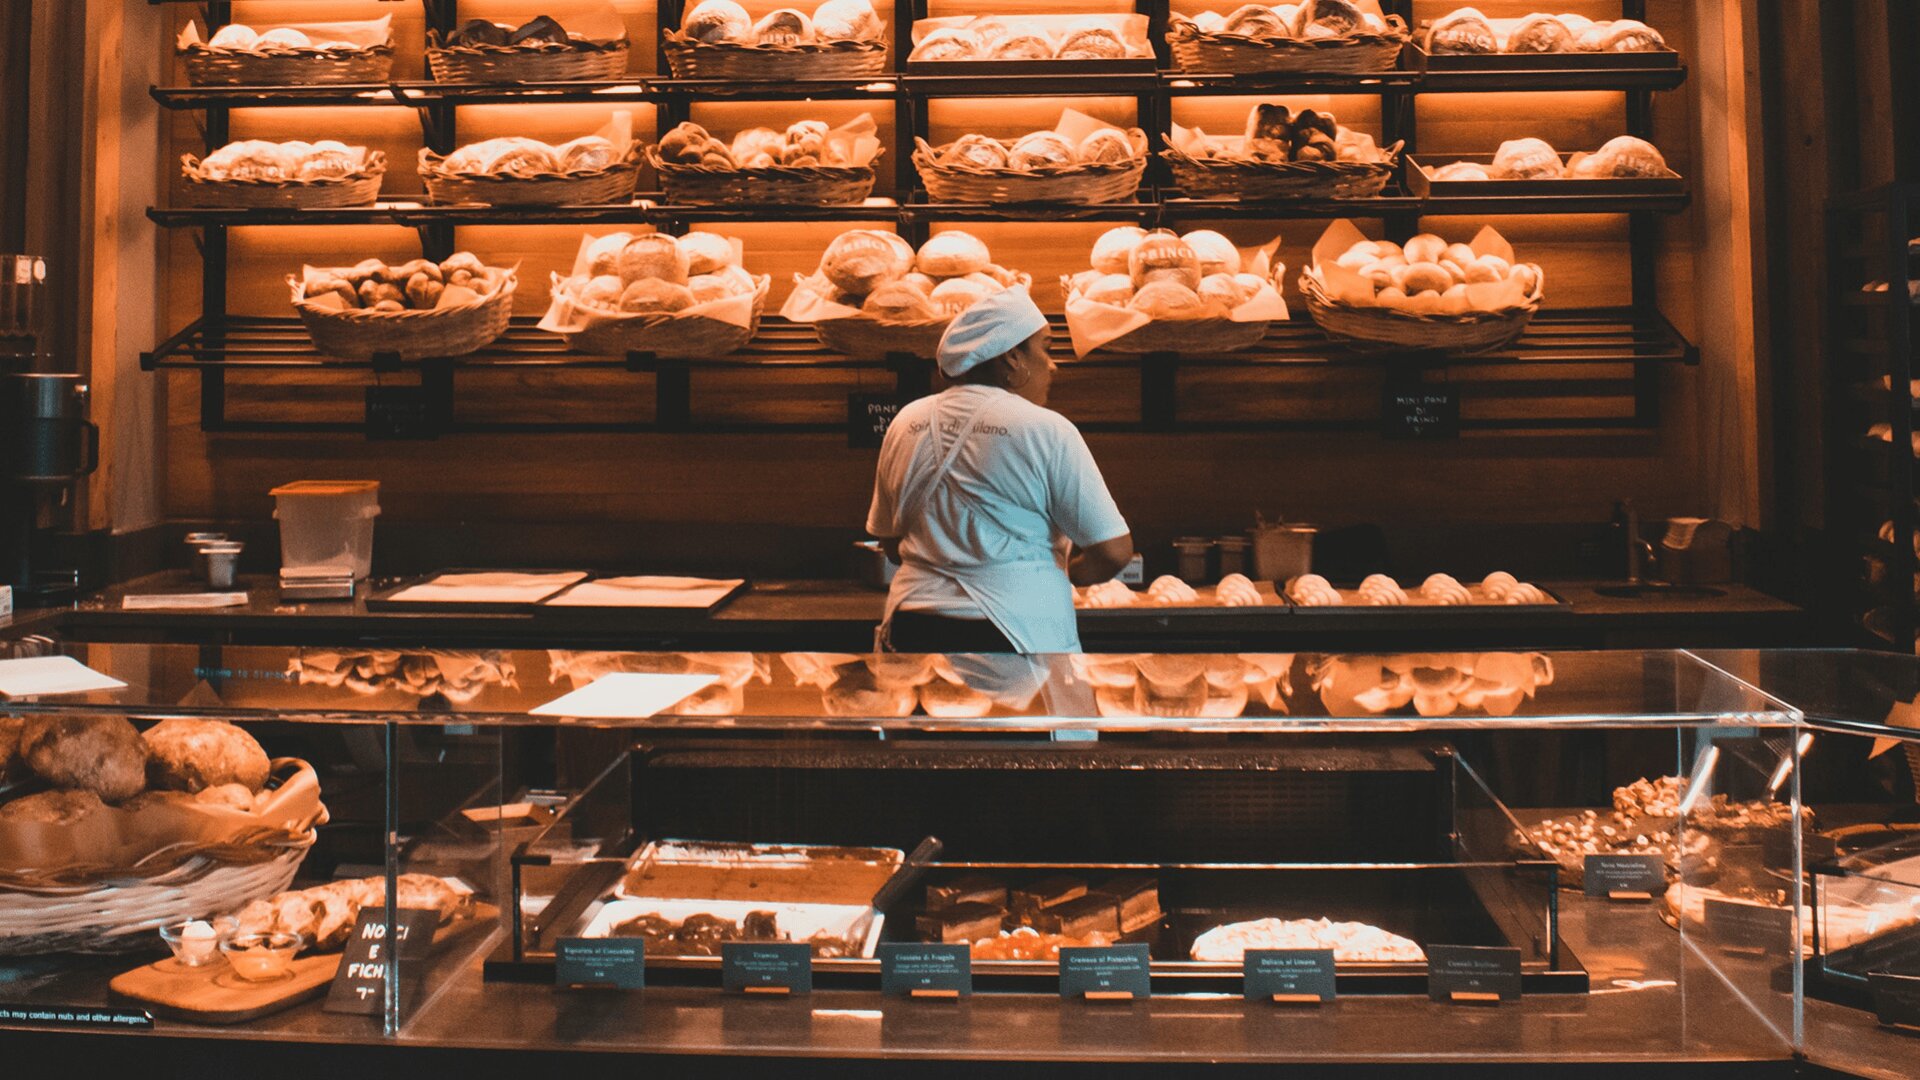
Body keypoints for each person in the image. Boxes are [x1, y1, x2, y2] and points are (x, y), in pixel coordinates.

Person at [867, 284, 1134, 654]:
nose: (1053, 365)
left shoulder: (906, 421)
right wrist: (1056, 577)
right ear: (1012, 358)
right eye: (1047, 348)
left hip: (914, 628)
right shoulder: (1046, 429)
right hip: (1019, 631)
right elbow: (1114, 553)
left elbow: (892, 545)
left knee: (927, 712)